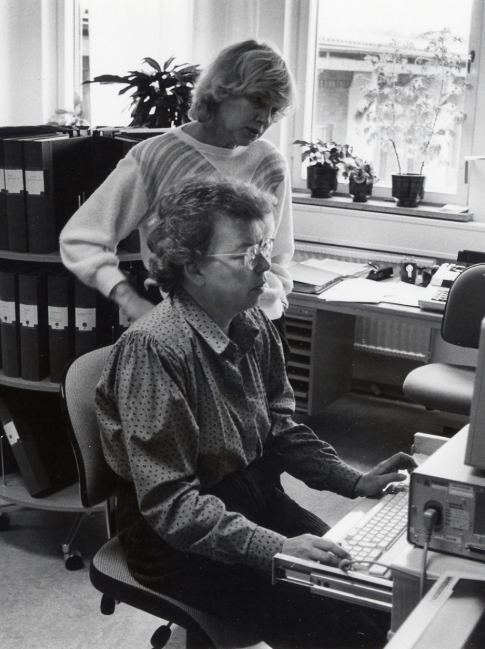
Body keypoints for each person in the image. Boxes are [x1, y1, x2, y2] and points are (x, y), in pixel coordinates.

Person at [96, 178, 417, 649]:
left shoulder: (253, 324)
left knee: (375, 596)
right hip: (175, 541)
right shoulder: (155, 349)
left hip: (252, 498)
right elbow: (171, 505)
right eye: (247, 253)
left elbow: (279, 430)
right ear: (193, 266)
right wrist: (278, 549)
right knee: (346, 630)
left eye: (264, 246)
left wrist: (353, 480)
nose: (266, 265)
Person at [59, 39, 295, 326]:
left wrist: (278, 298)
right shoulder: (157, 156)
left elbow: (278, 251)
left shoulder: (269, 162)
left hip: (263, 321)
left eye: (273, 110)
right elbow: (81, 239)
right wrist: (132, 302)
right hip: (184, 325)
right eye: (257, 100)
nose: (264, 118)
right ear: (222, 90)